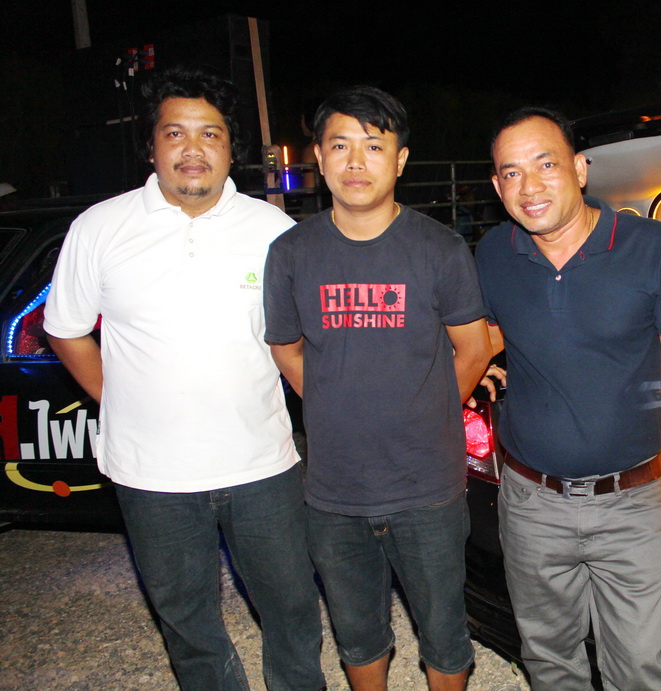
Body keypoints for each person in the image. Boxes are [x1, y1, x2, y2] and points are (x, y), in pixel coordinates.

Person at [43, 66, 325, 691]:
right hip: (151, 476)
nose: (192, 149)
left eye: (210, 134)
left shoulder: (274, 231)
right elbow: (65, 329)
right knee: (189, 626)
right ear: (152, 146)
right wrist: (116, 397)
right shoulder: (99, 227)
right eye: (175, 133)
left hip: (262, 465)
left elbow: (311, 337)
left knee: (293, 610)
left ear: (230, 149)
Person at [475, 107, 661, 691]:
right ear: (497, 187)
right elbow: (484, 336)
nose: (529, 187)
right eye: (511, 173)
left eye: (546, 165)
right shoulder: (493, 253)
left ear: (580, 169)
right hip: (531, 503)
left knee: (638, 669)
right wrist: (469, 365)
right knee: (548, 660)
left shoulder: (652, 247)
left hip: (631, 505)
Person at [263, 86, 491, 691]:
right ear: (318, 156)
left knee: (445, 632)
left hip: (427, 488)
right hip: (334, 490)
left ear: (401, 159)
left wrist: (427, 408)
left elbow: (473, 348)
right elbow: (285, 348)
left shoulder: (440, 248)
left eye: (373, 145)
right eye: (340, 145)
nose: (356, 161)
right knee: (357, 632)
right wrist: (335, 401)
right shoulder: (291, 253)